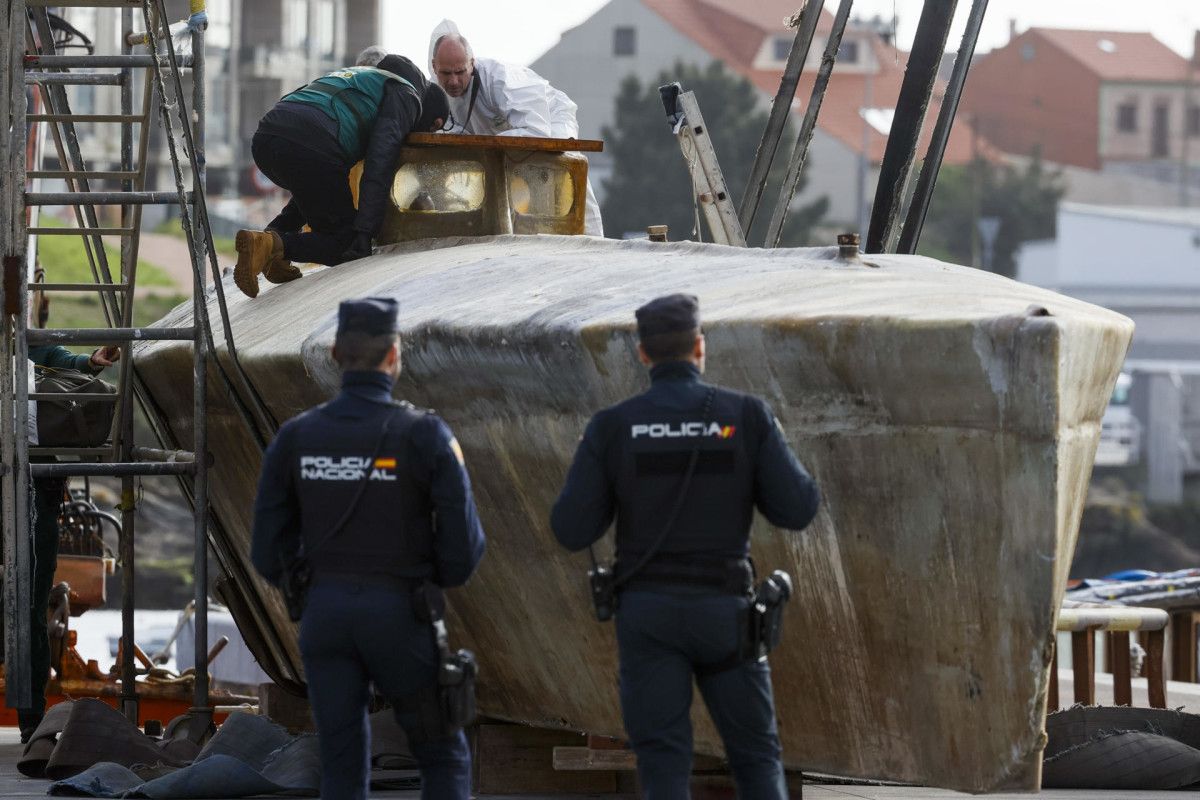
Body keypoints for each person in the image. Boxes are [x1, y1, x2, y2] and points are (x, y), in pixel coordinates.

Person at [550, 294, 820, 798]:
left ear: (643, 354)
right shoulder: (746, 415)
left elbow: (570, 529)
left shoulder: (613, 426)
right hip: (727, 615)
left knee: (662, 761)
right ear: (700, 347)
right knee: (757, 758)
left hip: (647, 617)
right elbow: (798, 508)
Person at [250, 297, 485, 800]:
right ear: (395, 355)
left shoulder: (296, 437)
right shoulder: (425, 435)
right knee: (442, 752)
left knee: (340, 760)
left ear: (335, 353)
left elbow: (266, 547)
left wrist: (308, 594)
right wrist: (425, 585)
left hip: (325, 617)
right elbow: (464, 548)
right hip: (402, 613)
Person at [234, 55, 450, 298]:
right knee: (343, 242)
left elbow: (317, 185)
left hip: (267, 139)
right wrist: (363, 233)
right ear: (433, 119)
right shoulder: (408, 96)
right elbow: (380, 162)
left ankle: (269, 246)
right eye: (433, 128)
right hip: (310, 145)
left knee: (317, 185)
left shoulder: (363, 78)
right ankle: (271, 248)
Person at [7, 342, 120, 742]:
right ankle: (31, 720)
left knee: (31, 607)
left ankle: (31, 721)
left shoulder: (19, 339)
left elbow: (54, 357)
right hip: (27, 481)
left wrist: (89, 362)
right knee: (29, 609)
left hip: (33, 482)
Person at [427, 20, 605, 237]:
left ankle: (591, 239)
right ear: (435, 66)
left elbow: (537, 131)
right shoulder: (435, 92)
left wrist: (492, 145)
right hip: (503, 137)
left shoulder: (499, 79)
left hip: (550, 119)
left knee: (560, 167)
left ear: (471, 63)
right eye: (446, 74)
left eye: (459, 72)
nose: (453, 81)